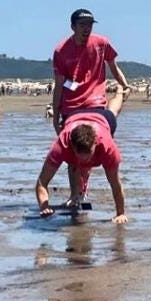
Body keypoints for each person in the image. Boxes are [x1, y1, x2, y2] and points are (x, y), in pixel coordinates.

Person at [35, 86, 130, 223]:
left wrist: (120, 213)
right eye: (80, 155)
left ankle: (120, 91)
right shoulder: (61, 145)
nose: (85, 160)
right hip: (75, 116)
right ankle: (76, 193)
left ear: (95, 145)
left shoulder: (108, 147)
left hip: (101, 118)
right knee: (75, 166)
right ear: (71, 146)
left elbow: (115, 184)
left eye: (88, 154)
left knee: (112, 111)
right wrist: (44, 206)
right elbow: (42, 182)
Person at [52, 9, 131, 135]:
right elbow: (59, 85)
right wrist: (55, 118)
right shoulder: (61, 51)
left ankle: (120, 91)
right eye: (82, 25)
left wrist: (126, 85)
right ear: (73, 27)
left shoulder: (101, 43)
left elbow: (114, 67)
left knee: (102, 134)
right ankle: (119, 93)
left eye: (90, 24)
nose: (87, 28)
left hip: (96, 104)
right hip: (71, 107)